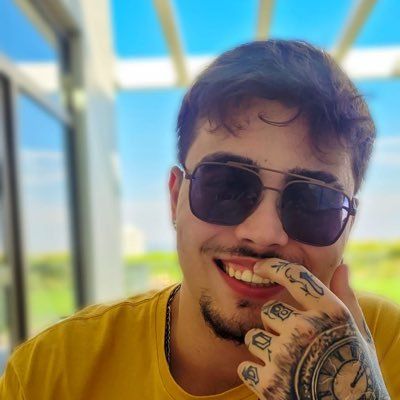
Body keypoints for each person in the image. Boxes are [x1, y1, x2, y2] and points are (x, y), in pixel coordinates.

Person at [1, 40, 399, 400]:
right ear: (176, 198)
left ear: (347, 226)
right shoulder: (51, 373)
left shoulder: (390, 344)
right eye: (226, 187)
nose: (263, 233)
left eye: (313, 201)